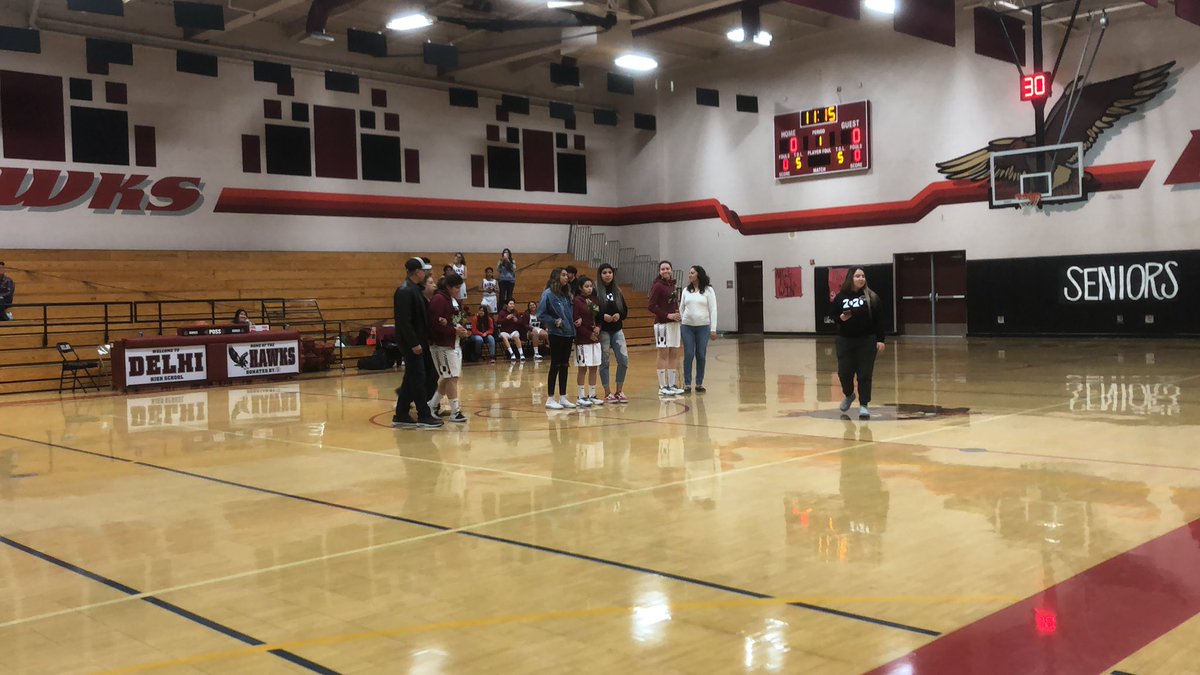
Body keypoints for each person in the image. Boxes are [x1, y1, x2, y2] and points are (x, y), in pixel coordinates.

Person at [393, 257, 444, 429]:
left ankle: (400, 413)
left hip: (418, 342)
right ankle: (424, 415)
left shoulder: (413, 289)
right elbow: (404, 322)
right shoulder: (404, 291)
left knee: (411, 378)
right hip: (411, 344)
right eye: (424, 270)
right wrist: (414, 343)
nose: (427, 273)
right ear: (417, 272)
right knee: (419, 378)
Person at [830, 267, 886, 419]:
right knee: (844, 373)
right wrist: (840, 318)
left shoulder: (872, 297)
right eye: (857, 276)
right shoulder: (841, 297)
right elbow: (832, 315)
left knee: (864, 375)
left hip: (867, 340)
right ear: (850, 278)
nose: (861, 278)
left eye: (863, 276)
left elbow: (879, 320)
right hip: (845, 340)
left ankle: (864, 405)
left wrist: (880, 339)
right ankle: (849, 395)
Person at [428, 273, 471, 423]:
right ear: (448, 286)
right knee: (452, 378)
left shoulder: (452, 300)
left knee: (450, 377)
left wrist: (461, 329)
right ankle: (455, 411)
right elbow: (434, 325)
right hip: (442, 345)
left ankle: (432, 405)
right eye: (457, 287)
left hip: (453, 343)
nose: (459, 290)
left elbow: (455, 320)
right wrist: (453, 330)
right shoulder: (439, 300)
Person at [537, 267, 577, 410]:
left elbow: (569, 314)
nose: (567, 277)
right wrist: (554, 321)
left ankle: (563, 397)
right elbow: (540, 314)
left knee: (565, 365)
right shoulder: (548, 294)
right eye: (564, 275)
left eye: (567, 275)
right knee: (556, 364)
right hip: (556, 333)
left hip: (568, 333)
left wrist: (573, 323)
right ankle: (550, 398)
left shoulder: (566, 295)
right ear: (556, 277)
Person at [647, 260, 684, 397]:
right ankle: (662, 386)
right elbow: (651, 306)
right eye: (662, 269)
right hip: (662, 324)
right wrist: (667, 315)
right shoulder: (658, 286)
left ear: (671, 269)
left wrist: (677, 313)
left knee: (674, 352)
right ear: (659, 271)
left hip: (674, 324)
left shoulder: (672, 285)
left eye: (667, 268)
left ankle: (672, 384)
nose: (665, 271)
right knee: (663, 353)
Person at [680, 265, 718, 393]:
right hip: (687, 327)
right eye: (689, 273)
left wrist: (713, 328)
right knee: (689, 354)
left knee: (701, 354)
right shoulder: (686, 290)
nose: (689, 275)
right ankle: (687, 383)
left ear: (698, 274)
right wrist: (682, 319)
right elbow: (681, 308)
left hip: (703, 327)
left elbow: (713, 309)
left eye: (692, 273)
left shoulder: (708, 290)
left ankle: (699, 383)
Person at [595, 263, 629, 403]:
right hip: (603, 331)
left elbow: (625, 310)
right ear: (600, 275)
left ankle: (619, 391)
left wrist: (618, 315)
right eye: (604, 272)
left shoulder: (617, 290)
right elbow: (591, 310)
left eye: (610, 272)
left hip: (617, 330)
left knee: (623, 360)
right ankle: (607, 392)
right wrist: (602, 317)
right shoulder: (595, 291)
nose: (608, 274)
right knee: (604, 361)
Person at [572, 276, 603, 407]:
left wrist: (598, 328)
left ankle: (592, 394)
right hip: (583, 340)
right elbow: (576, 322)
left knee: (594, 367)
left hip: (595, 339)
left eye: (591, 286)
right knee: (583, 368)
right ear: (580, 288)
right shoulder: (577, 301)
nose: (589, 288)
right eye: (586, 286)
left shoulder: (594, 300)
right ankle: (581, 396)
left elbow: (599, 317)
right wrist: (589, 334)